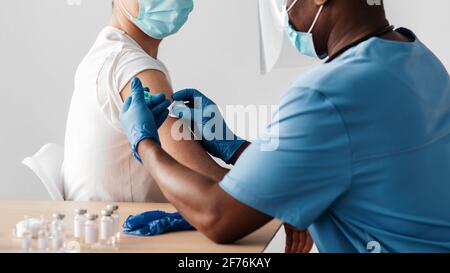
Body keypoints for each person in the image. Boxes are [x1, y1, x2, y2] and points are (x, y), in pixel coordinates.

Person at [120, 0, 450, 253]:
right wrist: (233, 147)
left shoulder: (326, 94)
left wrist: (145, 143)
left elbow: (217, 217)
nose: (285, 13)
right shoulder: (417, 56)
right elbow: (334, 157)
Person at [63, 0, 228, 202]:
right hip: (121, 227)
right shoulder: (132, 67)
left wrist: (237, 149)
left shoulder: (113, 51)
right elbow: (213, 187)